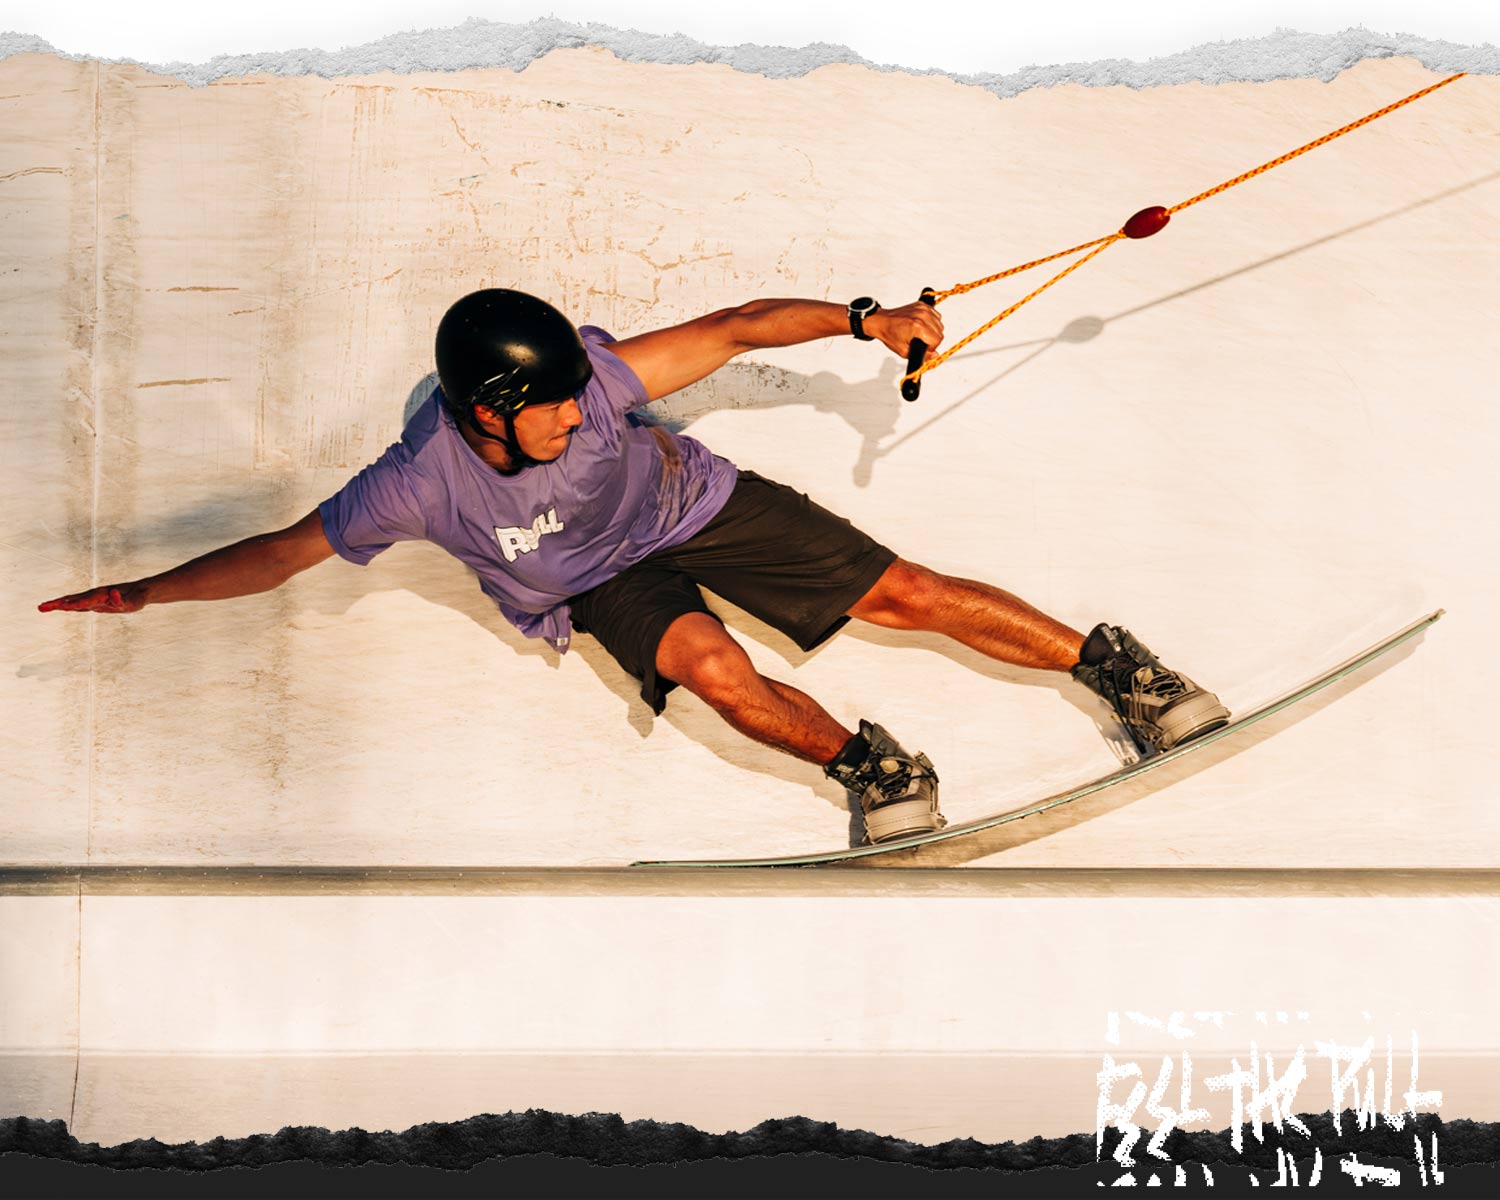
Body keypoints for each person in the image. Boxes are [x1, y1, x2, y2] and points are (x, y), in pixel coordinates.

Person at [39, 288, 1230, 845]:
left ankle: (1127, 677)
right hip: (599, 583)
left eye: (575, 399)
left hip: (693, 503)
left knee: (900, 592)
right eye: (549, 413)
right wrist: (143, 590)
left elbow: (732, 330)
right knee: (714, 673)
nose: (574, 419)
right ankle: (875, 772)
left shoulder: (601, 384)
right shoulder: (415, 484)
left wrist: (867, 321)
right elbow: (282, 554)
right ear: (487, 414)